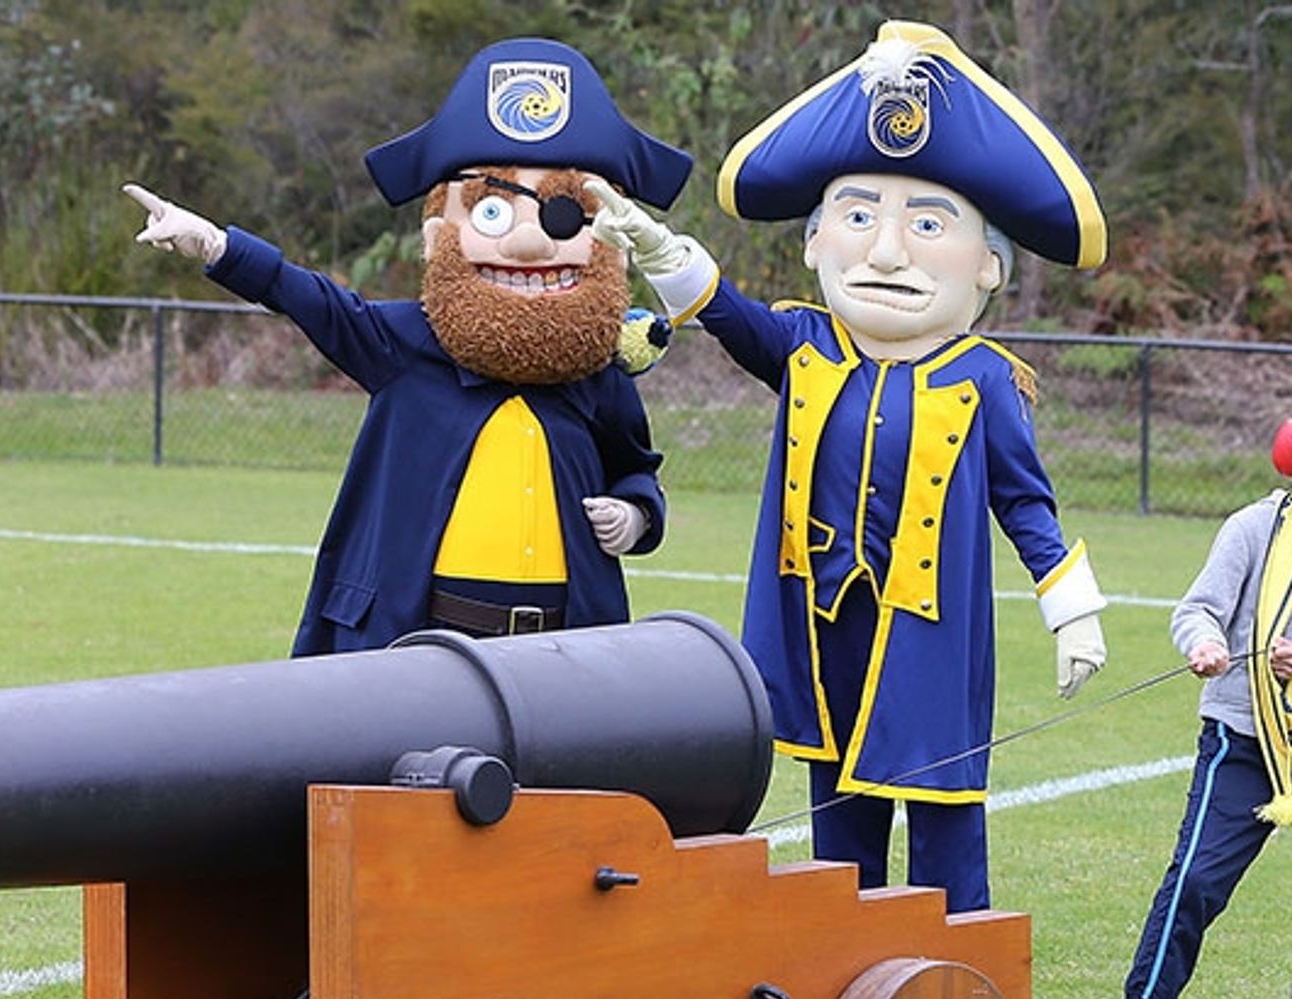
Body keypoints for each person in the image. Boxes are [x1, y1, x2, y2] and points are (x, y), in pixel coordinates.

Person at [587, 19, 1108, 912]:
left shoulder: (983, 377)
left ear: (988, 266)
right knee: (839, 810)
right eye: (859, 217)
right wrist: (658, 246)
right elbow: (725, 312)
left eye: (928, 224)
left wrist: (1073, 611)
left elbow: (1026, 504)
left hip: (928, 634)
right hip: (821, 623)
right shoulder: (805, 343)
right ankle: (846, 958)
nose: (887, 251)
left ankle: (954, 961)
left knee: (942, 803)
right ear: (815, 240)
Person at [125, 36, 692, 655]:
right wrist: (217, 246)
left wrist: (635, 515)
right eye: (494, 214)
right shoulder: (404, 345)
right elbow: (312, 299)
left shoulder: (597, 371)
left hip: (563, 649)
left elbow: (635, 469)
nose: (530, 245)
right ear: (435, 234)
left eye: (562, 217)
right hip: (424, 641)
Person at [1074, 437, 1292, 999]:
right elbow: (1197, 610)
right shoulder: (1254, 529)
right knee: (1194, 882)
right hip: (1244, 740)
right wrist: (1207, 642)